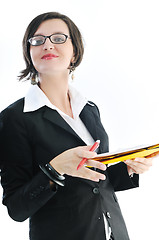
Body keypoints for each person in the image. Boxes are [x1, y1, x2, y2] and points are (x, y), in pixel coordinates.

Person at [0, 12, 154, 240]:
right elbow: (17, 208)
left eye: (58, 38)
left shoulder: (89, 109)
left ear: (75, 53)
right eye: (38, 40)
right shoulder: (14, 118)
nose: (47, 44)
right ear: (29, 52)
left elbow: (95, 179)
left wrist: (127, 169)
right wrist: (54, 169)